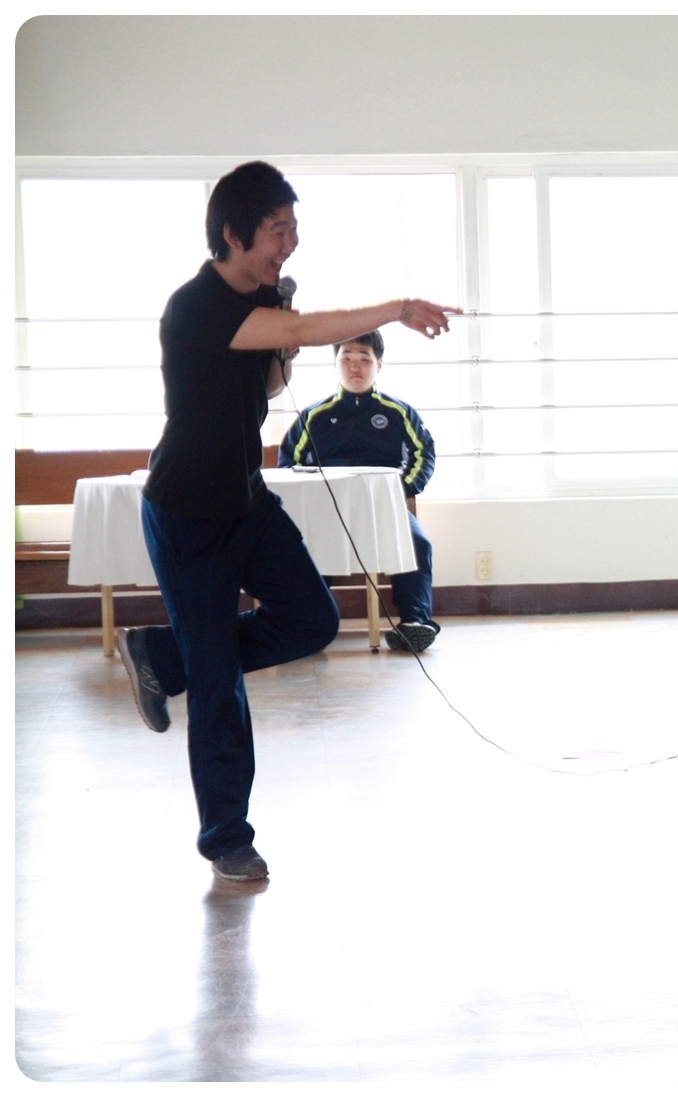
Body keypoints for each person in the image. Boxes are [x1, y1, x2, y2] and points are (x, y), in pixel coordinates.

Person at [114, 160, 458, 881]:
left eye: (293, 229)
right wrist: (394, 308)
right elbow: (302, 328)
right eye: (277, 230)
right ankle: (226, 838)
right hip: (186, 513)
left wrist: (283, 339)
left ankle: (164, 656)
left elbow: (270, 381)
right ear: (233, 234)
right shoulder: (196, 305)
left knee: (312, 619)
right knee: (219, 684)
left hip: (245, 501)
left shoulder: (262, 297)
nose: (289, 244)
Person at [278, 329, 440, 652]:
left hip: (384, 508)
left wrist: (403, 488)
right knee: (301, 549)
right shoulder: (313, 415)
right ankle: (306, 625)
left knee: (418, 543)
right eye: (347, 358)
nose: (355, 366)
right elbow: (288, 464)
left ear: (379, 364)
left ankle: (414, 623)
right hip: (326, 511)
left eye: (364, 359)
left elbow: (424, 454)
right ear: (335, 364)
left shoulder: (399, 412)